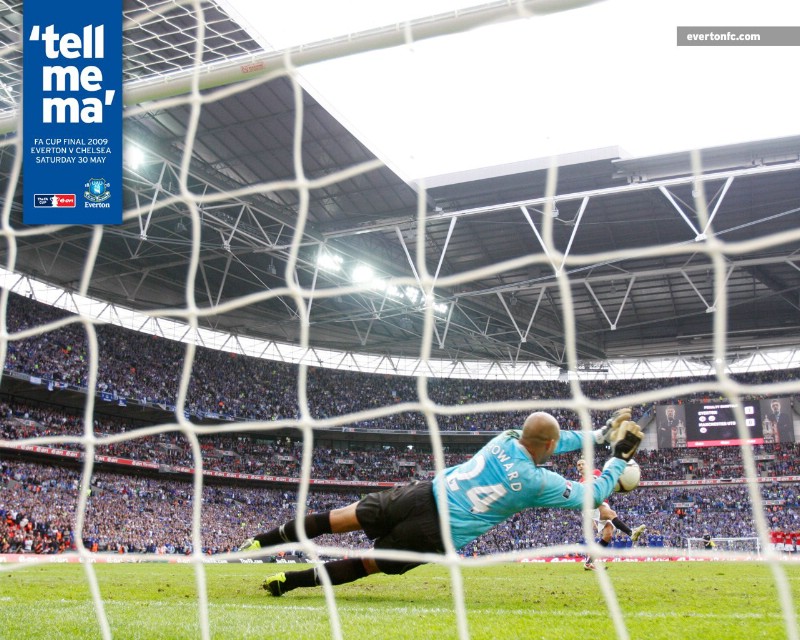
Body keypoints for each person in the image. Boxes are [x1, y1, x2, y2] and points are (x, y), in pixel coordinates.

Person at [238, 409, 644, 596]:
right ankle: (287, 583)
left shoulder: (503, 438)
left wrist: (597, 434)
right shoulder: (537, 482)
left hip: (420, 493)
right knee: (368, 563)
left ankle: (262, 541)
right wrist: (615, 460)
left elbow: (547, 437)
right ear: (550, 447)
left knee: (340, 518)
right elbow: (591, 493)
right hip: (438, 532)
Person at [576, 458, 646, 571]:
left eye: (582, 464)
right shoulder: (580, 482)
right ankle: (631, 533)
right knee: (611, 514)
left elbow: (606, 483)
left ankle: (589, 562)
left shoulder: (597, 473)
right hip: (592, 505)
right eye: (578, 465)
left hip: (603, 503)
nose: (580, 466)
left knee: (608, 535)